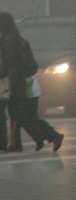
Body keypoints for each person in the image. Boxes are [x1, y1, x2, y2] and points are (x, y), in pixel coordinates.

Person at [0, 12, 63, 152]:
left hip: (11, 82)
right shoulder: (18, 38)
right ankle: (24, 142)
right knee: (23, 114)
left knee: (15, 114)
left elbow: (8, 62)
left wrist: (1, 74)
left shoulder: (6, 39)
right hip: (23, 81)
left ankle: (33, 138)